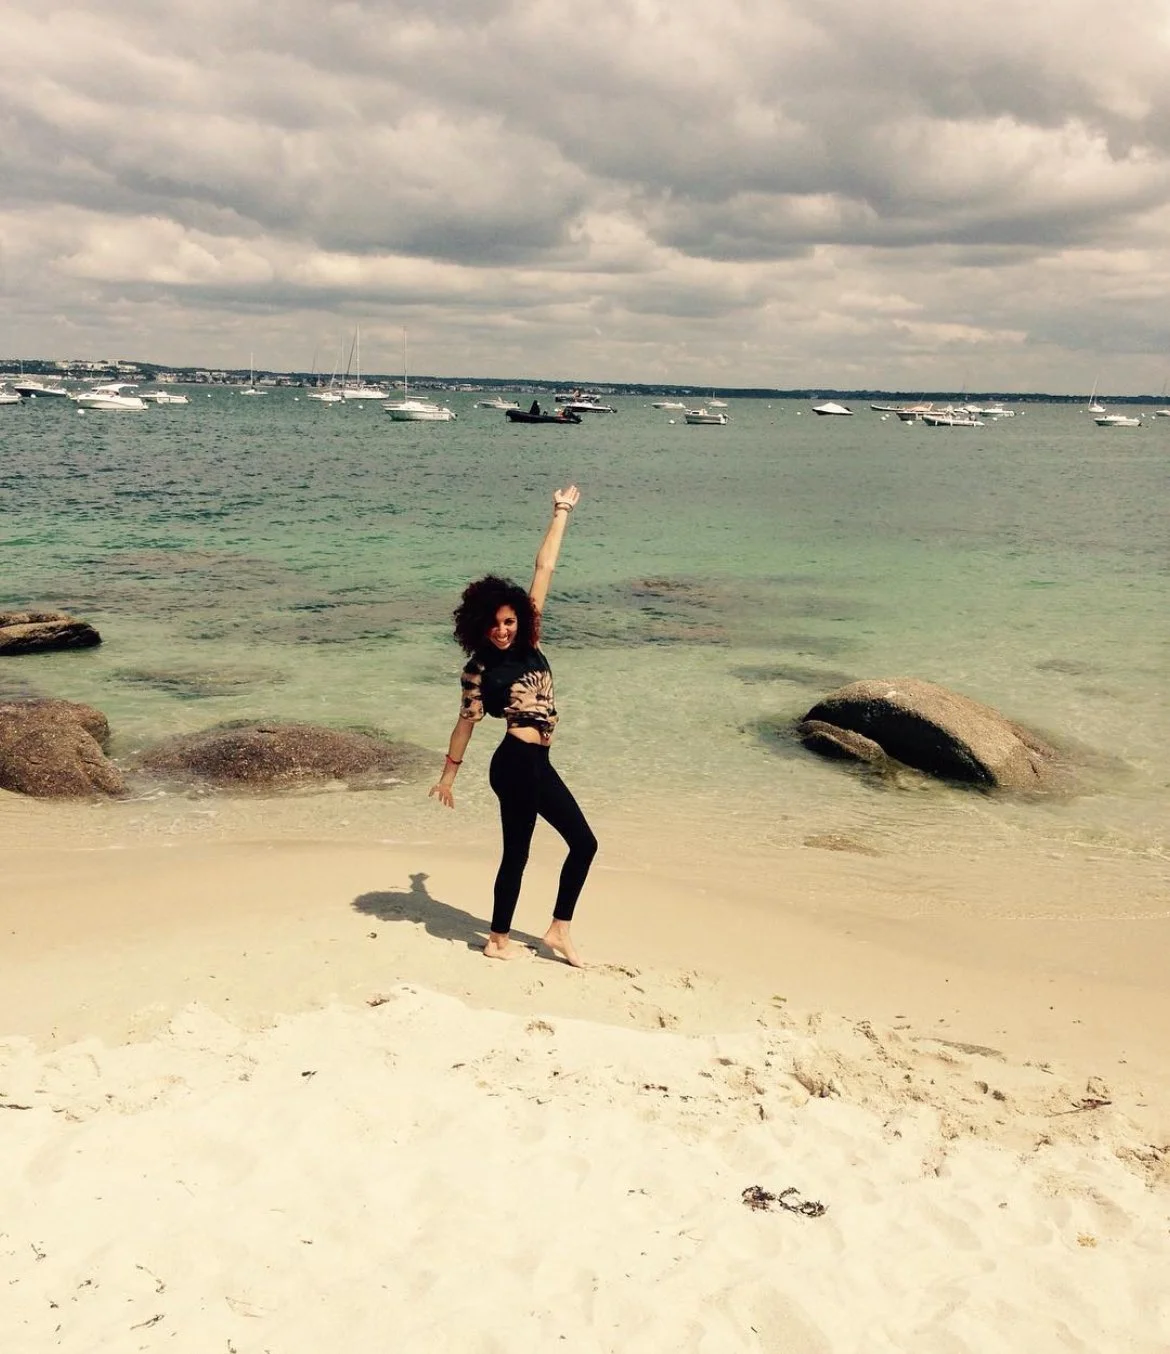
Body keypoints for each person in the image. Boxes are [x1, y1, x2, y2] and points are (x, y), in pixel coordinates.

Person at [429, 486, 596, 966]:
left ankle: (544, 931)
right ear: (480, 627)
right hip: (514, 763)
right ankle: (505, 938)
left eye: (508, 621)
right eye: (494, 625)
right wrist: (448, 775)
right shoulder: (480, 669)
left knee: (575, 845)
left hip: (538, 761)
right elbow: (465, 724)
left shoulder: (531, 643)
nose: (503, 629)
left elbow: (544, 568)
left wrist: (561, 511)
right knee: (531, 850)